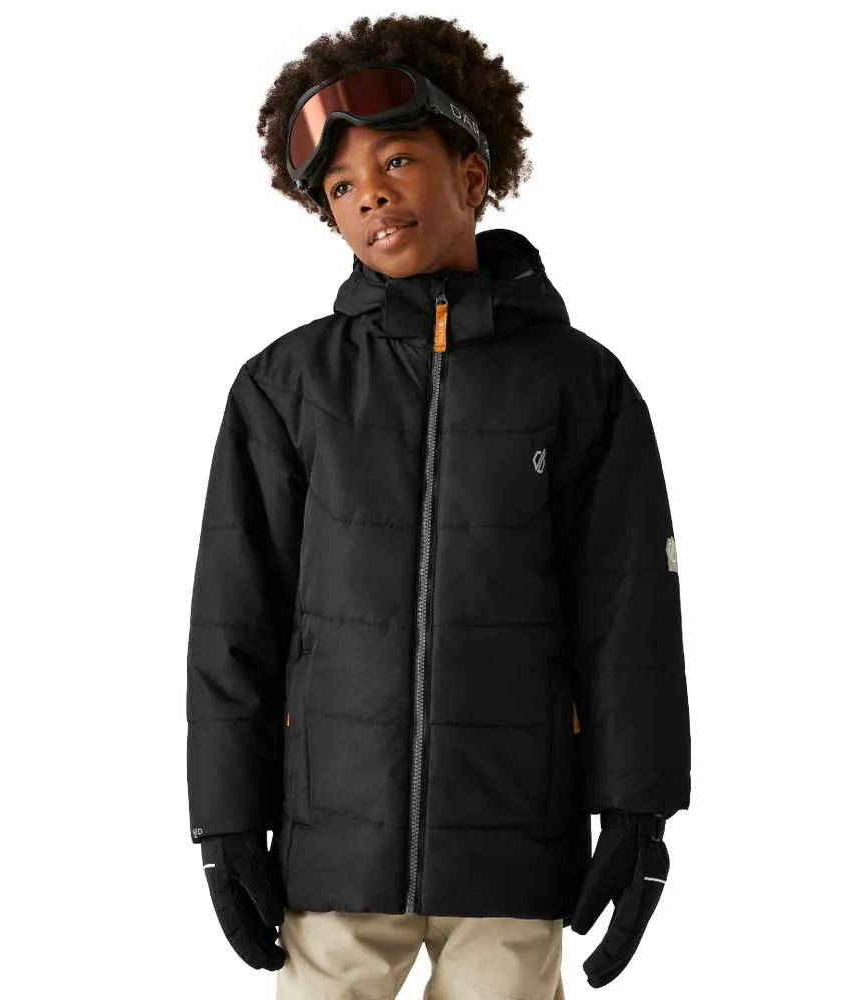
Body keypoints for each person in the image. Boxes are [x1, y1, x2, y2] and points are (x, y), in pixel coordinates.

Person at [186, 14, 691, 997]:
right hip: (335, 846)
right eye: (340, 187)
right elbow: (234, 621)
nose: (369, 193)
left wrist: (640, 805)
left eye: (396, 160)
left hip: (512, 843)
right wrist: (226, 818)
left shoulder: (581, 387)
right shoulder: (286, 389)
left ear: (472, 173)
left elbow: (629, 614)